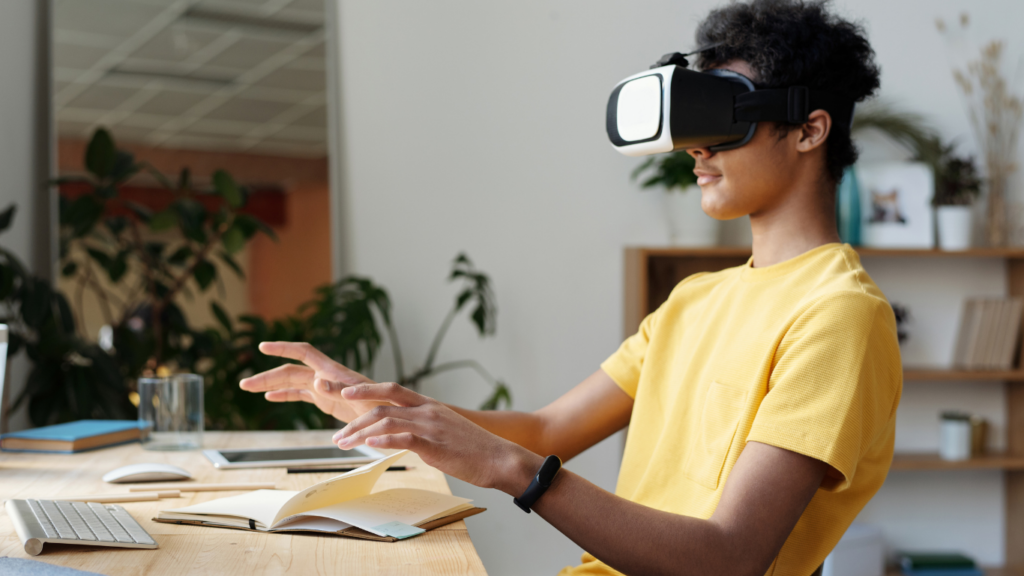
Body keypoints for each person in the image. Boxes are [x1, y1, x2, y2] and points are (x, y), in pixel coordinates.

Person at [239, 0, 902, 574]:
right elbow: (546, 427)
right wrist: (385, 408)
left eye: (722, 118)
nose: (696, 149)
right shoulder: (696, 300)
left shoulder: (837, 313)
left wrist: (512, 470)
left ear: (810, 129)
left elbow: (730, 560)